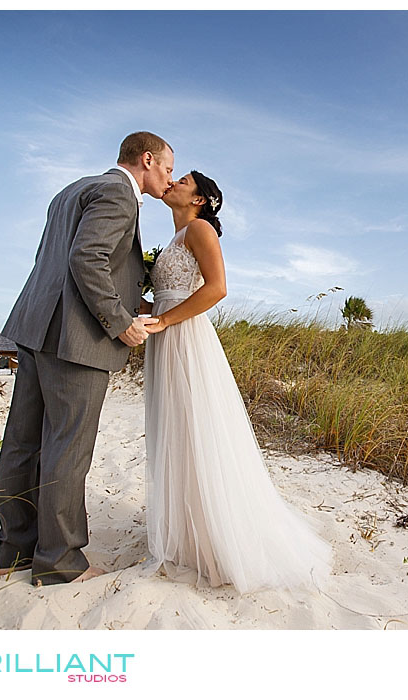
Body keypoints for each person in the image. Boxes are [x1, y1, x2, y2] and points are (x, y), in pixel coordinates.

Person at [0, 131, 172, 586]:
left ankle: (14, 548)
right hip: (77, 341)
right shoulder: (117, 193)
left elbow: (55, 260)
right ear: (146, 159)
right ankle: (58, 561)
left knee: (23, 441)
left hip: (36, 328)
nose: (168, 178)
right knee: (67, 450)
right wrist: (120, 320)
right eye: (167, 169)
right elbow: (87, 257)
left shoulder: (71, 189)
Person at [144, 171, 330, 593]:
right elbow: (169, 294)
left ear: (201, 200)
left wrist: (167, 320)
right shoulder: (176, 238)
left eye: (184, 180)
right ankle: (188, 532)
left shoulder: (200, 229)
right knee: (174, 429)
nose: (173, 182)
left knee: (195, 427)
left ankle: (216, 534)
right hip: (165, 334)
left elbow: (217, 289)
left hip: (186, 336)